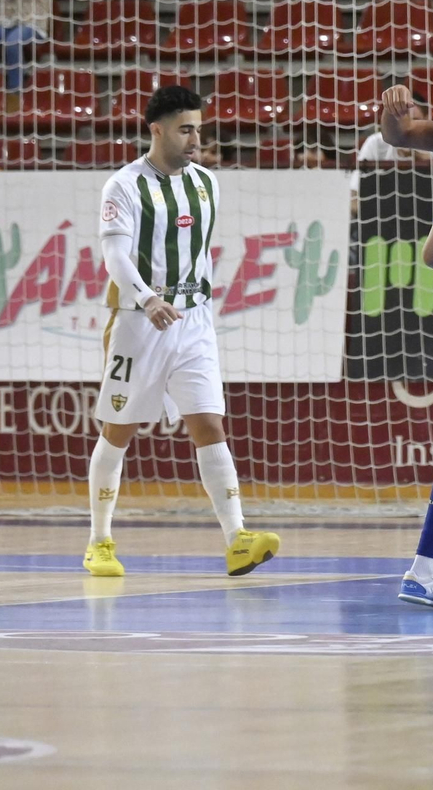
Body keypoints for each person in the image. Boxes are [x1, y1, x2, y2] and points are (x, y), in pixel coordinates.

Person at [83, 85, 282, 577]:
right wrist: (147, 296)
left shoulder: (206, 182)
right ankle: (99, 542)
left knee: (209, 424)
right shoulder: (124, 186)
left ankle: (237, 538)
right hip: (138, 320)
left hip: (193, 321)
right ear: (157, 129)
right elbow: (115, 254)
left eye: (198, 128)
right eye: (185, 129)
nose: (196, 138)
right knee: (118, 431)